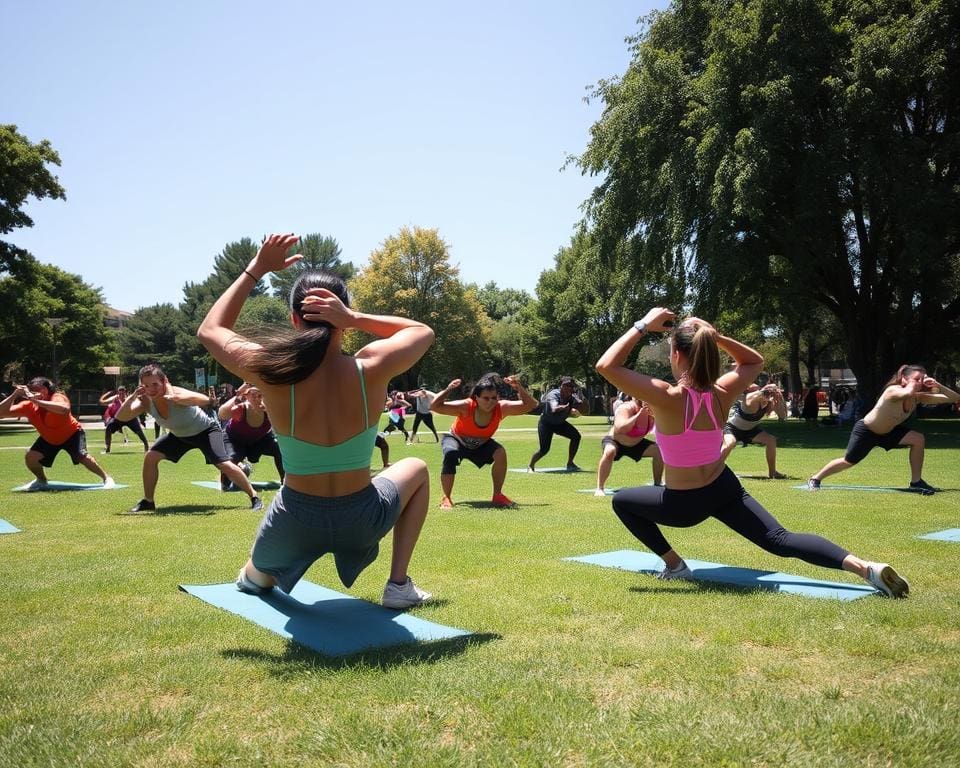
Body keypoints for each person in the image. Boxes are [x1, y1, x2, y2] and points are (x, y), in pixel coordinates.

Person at [594, 309, 909, 598]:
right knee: (781, 540)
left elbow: (606, 366)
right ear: (707, 349)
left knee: (622, 501)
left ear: (676, 355)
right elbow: (754, 362)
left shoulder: (666, 396)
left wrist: (643, 325)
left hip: (683, 503)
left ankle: (676, 566)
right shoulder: (722, 392)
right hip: (724, 489)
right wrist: (715, 336)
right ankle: (866, 568)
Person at [197, 233, 435, 609]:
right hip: (361, 519)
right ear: (343, 319)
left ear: (294, 319)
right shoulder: (371, 367)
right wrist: (355, 318)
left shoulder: (271, 371)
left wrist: (256, 268)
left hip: (294, 521)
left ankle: (263, 571)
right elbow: (422, 331)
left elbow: (210, 331)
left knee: (251, 582)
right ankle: (398, 585)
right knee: (417, 467)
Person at [116, 364, 263, 513]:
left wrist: (180, 398)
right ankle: (148, 501)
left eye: (155, 384)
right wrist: (133, 396)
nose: (151, 389)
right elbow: (120, 416)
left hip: (206, 431)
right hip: (179, 436)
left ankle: (254, 497)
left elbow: (205, 399)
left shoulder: (177, 393)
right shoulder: (145, 401)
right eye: (146, 385)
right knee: (151, 457)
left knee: (224, 464)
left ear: (164, 381)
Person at [807, 365, 959, 494]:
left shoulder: (917, 396)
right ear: (904, 379)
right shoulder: (893, 390)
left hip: (888, 432)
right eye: (917, 379)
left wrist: (937, 385)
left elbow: (954, 398)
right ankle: (815, 478)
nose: (921, 382)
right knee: (848, 461)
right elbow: (906, 392)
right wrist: (913, 384)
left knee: (918, 439)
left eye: (923, 379)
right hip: (867, 431)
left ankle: (916, 482)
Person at [430, 374, 538, 509]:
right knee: (450, 454)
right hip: (456, 439)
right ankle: (447, 497)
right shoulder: (466, 406)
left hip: (481, 444)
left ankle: (497, 495)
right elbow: (434, 406)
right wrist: (448, 389)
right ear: (476, 398)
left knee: (500, 453)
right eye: (486, 398)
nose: (490, 402)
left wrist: (519, 388)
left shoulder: (501, 408)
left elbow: (531, 405)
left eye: (493, 398)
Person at [0, 378, 114, 490]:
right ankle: (41, 480)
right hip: (49, 438)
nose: (31, 394)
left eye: (35, 391)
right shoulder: (28, 406)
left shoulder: (57, 397)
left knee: (82, 457)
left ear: (44, 390)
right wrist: (14, 395)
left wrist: (37, 401)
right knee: (31, 457)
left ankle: (106, 478)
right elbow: (1, 413)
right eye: (30, 391)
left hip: (72, 434)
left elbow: (64, 409)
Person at [218, 383, 285, 489]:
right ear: (247, 396)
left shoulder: (270, 409)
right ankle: (225, 484)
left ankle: (285, 481)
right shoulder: (239, 409)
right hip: (235, 440)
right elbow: (221, 415)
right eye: (253, 395)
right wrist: (238, 394)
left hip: (260, 440)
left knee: (278, 447)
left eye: (260, 395)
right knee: (232, 458)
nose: (257, 398)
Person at [594, 396, 664, 496]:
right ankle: (599, 488)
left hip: (636, 443)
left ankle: (658, 483)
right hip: (615, 441)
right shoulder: (626, 408)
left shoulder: (652, 411)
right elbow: (620, 428)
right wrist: (638, 415)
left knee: (658, 451)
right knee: (610, 452)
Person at [719, 384, 787, 479]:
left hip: (751, 430)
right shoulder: (748, 398)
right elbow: (754, 395)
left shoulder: (769, 403)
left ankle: (773, 473)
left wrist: (779, 399)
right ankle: (714, 470)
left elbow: (783, 416)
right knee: (730, 443)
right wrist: (765, 391)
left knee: (771, 440)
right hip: (732, 428)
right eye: (756, 390)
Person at [528, 377, 585, 472]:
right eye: (566, 385)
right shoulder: (553, 394)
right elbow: (554, 408)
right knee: (544, 449)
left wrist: (583, 400)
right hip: (546, 424)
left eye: (570, 386)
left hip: (559, 423)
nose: (568, 388)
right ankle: (531, 465)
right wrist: (565, 407)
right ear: (561, 386)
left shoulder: (572, 397)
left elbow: (585, 409)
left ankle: (570, 463)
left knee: (576, 436)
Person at [99, 386, 150, 453]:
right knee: (108, 428)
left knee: (139, 432)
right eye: (120, 394)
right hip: (118, 419)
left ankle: (146, 446)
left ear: (125, 393)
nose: (121, 395)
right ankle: (107, 448)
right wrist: (107, 394)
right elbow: (102, 402)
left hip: (130, 418)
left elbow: (138, 402)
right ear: (118, 394)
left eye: (123, 393)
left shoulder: (129, 398)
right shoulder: (115, 398)